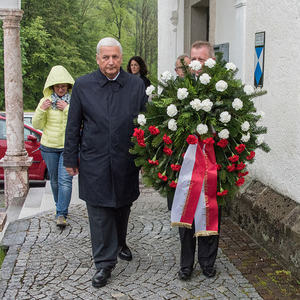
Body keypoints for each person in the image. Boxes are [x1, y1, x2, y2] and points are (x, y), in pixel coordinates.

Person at [63, 37, 147, 288]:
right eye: (106, 57)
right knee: (99, 211)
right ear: (97, 59)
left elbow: (145, 123)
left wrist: (145, 155)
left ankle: (120, 242)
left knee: (123, 206)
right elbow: (73, 125)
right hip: (94, 160)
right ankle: (104, 263)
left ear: (122, 58)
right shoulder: (83, 85)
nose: (111, 62)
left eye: (115, 57)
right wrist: (70, 157)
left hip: (125, 159)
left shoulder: (135, 85)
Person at [176, 41, 222, 281]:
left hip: (213, 161)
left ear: (210, 61)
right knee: (187, 212)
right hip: (187, 163)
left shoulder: (221, 90)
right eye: (192, 59)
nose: (196, 64)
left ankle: (207, 263)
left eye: (201, 59)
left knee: (211, 210)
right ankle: (186, 265)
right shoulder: (181, 88)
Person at [32, 65, 75, 228]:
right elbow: (37, 124)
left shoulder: (74, 102)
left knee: (65, 181)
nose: (61, 89)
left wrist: (67, 108)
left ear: (68, 86)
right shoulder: (45, 101)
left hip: (67, 147)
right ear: (52, 87)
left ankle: (61, 213)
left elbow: (79, 121)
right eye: (58, 86)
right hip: (49, 147)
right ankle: (61, 207)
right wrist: (42, 110)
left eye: (64, 86)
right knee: (55, 181)